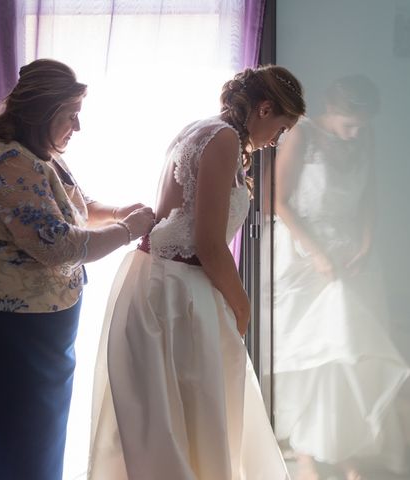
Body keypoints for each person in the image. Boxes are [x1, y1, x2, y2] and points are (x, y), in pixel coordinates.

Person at [0, 58, 155, 480]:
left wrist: (118, 211)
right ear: (43, 112)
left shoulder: (34, 154)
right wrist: (129, 229)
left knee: (26, 441)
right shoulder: (6, 163)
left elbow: (72, 207)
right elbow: (59, 245)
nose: (77, 127)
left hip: (28, 332)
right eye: (70, 115)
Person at [88, 65, 306, 480]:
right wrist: (241, 306)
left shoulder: (203, 129)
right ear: (264, 109)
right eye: (281, 129)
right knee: (185, 416)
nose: (277, 142)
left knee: (170, 418)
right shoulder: (222, 139)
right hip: (177, 293)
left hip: (158, 280)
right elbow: (208, 245)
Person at [271, 75, 410, 480]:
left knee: (351, 358)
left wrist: (366, 244)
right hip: (304, 253)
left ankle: (347, 451)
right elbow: (279, 202)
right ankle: (307, 455)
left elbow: (370, 197)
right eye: (349, 124)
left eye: (362, 125)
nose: (355, 132)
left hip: (351, 254)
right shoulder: (301, 136)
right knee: (315, 356)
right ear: (330, 112)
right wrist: (317, 254)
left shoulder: (364, 138)